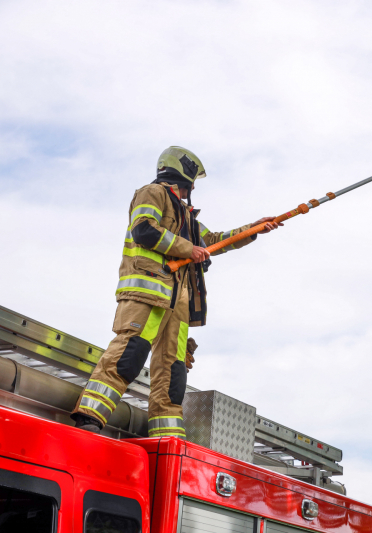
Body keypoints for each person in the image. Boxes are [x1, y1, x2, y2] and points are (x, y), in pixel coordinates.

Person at [71, 146, 280, 436]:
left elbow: (215, 241)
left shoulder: (188, 219)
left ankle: (166, 437)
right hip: (148, 292)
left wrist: (254, 229)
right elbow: (143, 230)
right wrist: (187, 248)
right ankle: (90, 414)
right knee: (129, 353)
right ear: (183, 174)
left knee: (173, 373)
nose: (193, 188)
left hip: (177, 304)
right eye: (192, 181)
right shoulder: (151, 193)